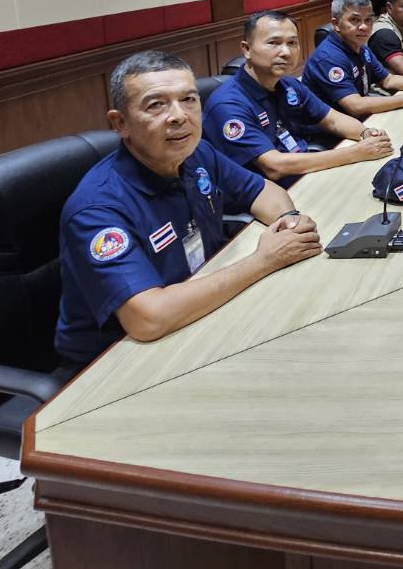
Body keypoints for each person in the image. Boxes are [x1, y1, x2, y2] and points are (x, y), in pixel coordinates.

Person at [56, 51, 322, 366]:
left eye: (188, 100)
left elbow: (264, 192)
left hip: (199, 312)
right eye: (157, 105)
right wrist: (265, 259)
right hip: (116, 362)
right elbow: (148, 318)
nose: (179, 116)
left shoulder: (196, 153)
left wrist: (288, 224)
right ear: (120, 123)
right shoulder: (97, 209)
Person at [204, 10, 393, 185]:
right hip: (269, 193)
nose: (286, 52)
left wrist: (366, 133)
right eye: (274, 43)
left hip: (306, 172)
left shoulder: (289, 85)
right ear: (247, 49)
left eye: (292, 43)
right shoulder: (228, 104)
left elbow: (332, 119)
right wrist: (356, 152)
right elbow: (274, 166)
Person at [303, 0, 403, 117]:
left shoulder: (361, 48)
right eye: (355, 20)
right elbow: (355, 106)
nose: (364, 27)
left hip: (359, 119)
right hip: (329, 132)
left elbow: (387, 80)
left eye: (368, 20)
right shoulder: (328, 58)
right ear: (336, 24)